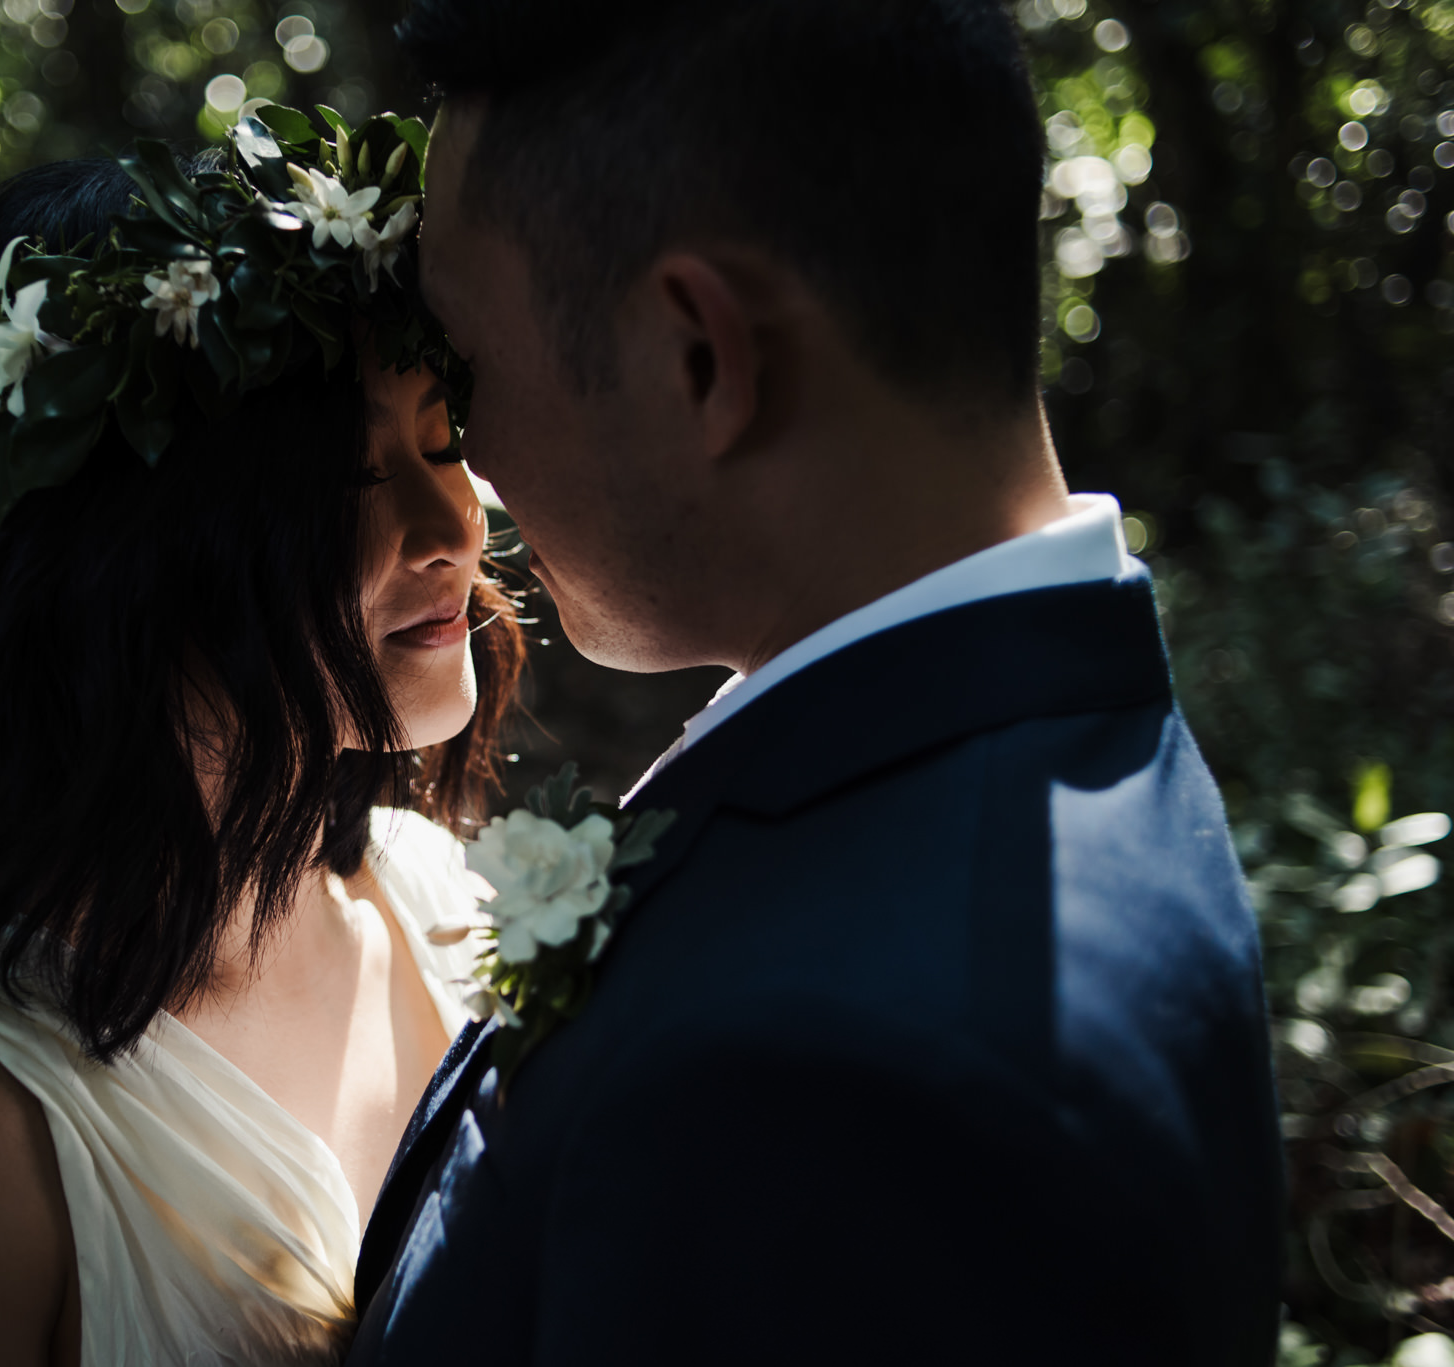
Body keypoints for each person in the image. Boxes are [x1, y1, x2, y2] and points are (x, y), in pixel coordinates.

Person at [346, 2, 1285, 1364]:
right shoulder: (1061, 739)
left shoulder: (826, 1077)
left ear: (702, 355)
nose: (472, 463)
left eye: (467, 368)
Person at [0, 126, 526, 1366]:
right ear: (135, 559)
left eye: (442, 443)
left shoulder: (436, 909)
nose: (449, 533)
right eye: (352, 476)